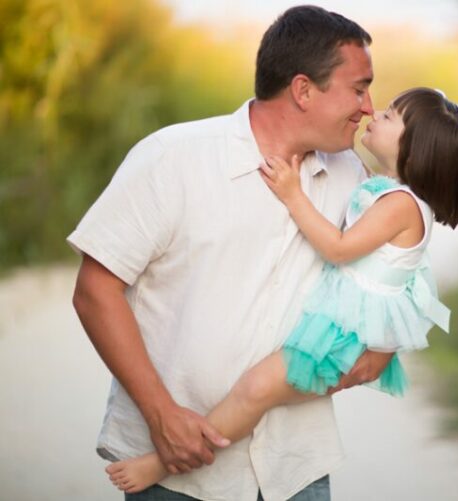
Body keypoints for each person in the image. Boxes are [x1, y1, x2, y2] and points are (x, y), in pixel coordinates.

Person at [69, 6, 390, 501]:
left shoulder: (355, 178)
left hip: (296, 470)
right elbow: (95, 291)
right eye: (358, 87)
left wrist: (376, 348)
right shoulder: (172, 158)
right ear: (303, 90)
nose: (368, 107)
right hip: (177, 469)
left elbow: (390, 278)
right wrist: (161, 414)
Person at [103, 87, 458, 494]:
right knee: (258, 393)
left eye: (391, 116)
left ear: (415, 148)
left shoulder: (400, 206)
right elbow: (404, 269)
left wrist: (292, 194)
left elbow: (338, 250)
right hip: (340, 325)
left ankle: (164, 463)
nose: (375, 112)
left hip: (340, 334)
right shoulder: (385, 190)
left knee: (255, 390)